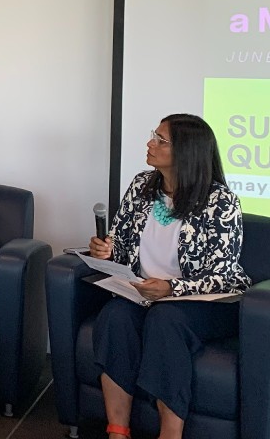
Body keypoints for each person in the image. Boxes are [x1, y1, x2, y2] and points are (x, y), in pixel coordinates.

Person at [89, 114, 250, 439]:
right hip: (144, 293)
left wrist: (171, 288)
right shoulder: (141, 186)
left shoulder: (220, 202)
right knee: (115, 316)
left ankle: (170, 434)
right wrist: (106, 250)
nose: (150, 143)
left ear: (187, 152)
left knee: (166, 319)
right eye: (154, 136)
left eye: (161, 140)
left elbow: (224, 275)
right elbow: (121, 240)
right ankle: (117, 430)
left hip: (206, 301)